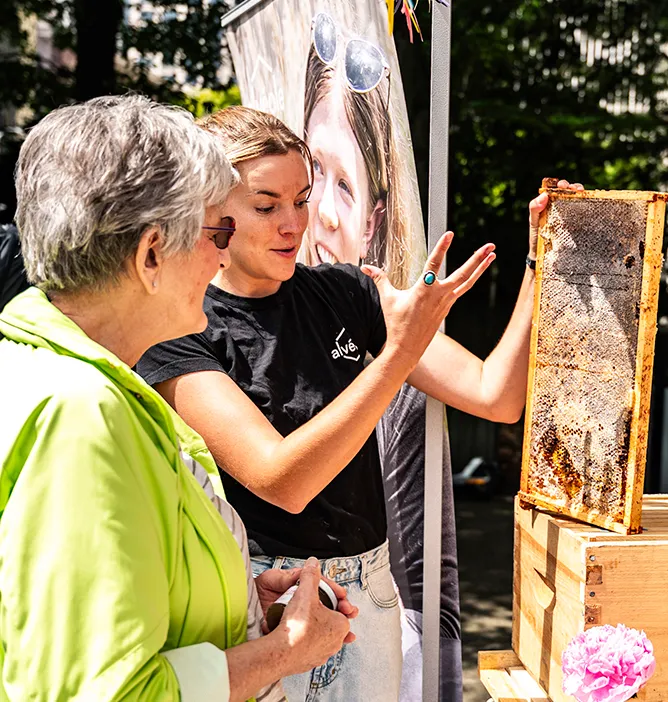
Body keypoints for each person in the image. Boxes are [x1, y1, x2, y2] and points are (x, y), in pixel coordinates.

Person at [136, 105, 581, 701]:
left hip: (371, 593)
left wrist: (540, 258)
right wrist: (398, 354)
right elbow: (282, 478)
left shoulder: (343, 291)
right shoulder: (179, 326)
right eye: (266, 206)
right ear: (207, 211)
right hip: (266, 601)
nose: (294, 223)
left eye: (302, 197)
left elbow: (493, 395)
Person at [0, 94, 357, 702]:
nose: (222, 252)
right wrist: (282, 651)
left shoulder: (57, 369)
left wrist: (238, 603)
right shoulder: (81, 414)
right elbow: (106, 691)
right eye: (216, 229)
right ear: (150, 255)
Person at [300, 18, 462, 699]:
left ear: (375, 217)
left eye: (343, 183)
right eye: (310, 175)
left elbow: (497, 397)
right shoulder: (218, 333)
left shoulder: (392, 351)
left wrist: (543, 262)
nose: (315, 212)